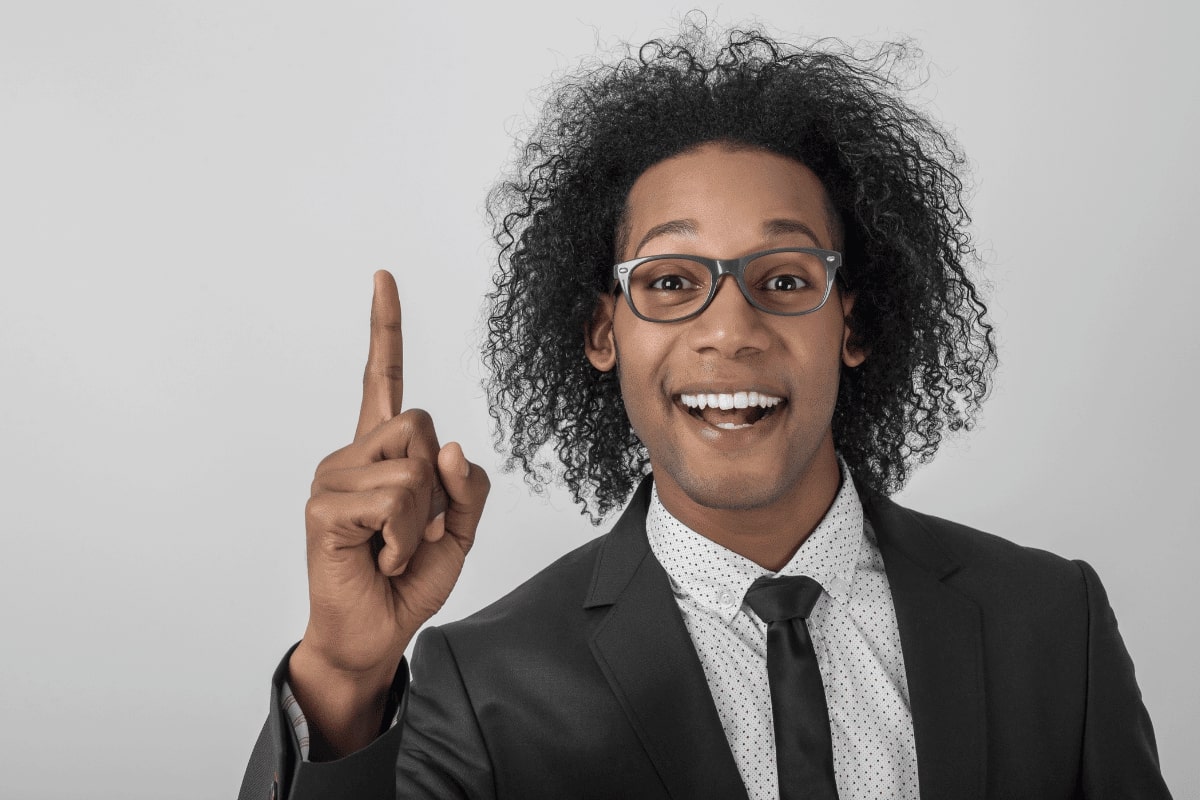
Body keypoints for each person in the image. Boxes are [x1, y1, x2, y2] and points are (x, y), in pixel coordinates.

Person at [239, 23, 1171, 800]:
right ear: (603, 331)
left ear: (853, 323)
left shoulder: (1053, 622)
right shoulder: (488, 683)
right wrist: (345, 674)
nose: (730, 330)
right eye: (672, 281)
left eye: (785, 279)